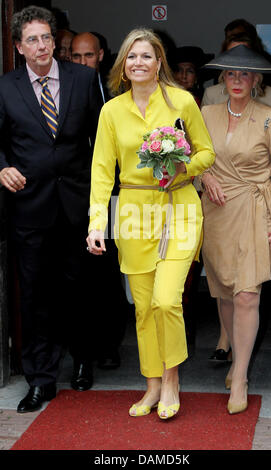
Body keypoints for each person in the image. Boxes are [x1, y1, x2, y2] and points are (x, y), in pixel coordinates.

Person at [86, 27, 215, 420]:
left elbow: (207, 153)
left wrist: (181, 169)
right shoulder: (111, 110)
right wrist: (96, 224)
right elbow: (102, 172)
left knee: (165, 300)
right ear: (123, 65)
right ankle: (152, 385)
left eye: (146, 56)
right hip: (132, 213)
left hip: (178, 209)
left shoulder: (181, 102)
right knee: (143, 309)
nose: (138, 62)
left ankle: (172, 380)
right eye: (131, 56)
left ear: (160, 63)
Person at [0, 6, 101, 412]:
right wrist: (3, 166)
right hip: (30, 208)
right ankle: (41, 379)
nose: (41, 47)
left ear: (54, 41)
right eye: (32, 40)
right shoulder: (6, 87)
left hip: (77, 204)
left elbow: (102, 138)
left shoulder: (83, 78)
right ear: (18, 47)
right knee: (36, 296)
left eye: (46, 38)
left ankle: (82, 361)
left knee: (80, 289)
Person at [200, 45, 271, 414]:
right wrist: (204, 175)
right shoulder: (205, 113)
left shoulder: (270, 118)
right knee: (225, 293)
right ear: (223, 78)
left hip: (254, 210)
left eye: (244, 74)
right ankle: (234, 355)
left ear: (255, 80)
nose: (237, 80)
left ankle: (241, 373)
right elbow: (191, 157)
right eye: (231, 74)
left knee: (248, 294)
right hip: (216, 212)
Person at [71, 31, 129, 370]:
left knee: (111, 273)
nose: (82, 63)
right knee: (83, 275)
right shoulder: (64, 91)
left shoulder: (117, 91)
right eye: (75, 57)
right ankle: (84, 349)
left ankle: (110, 344)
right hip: (78, 196)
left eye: (88, 56)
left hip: (118, 196)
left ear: (101, 55)